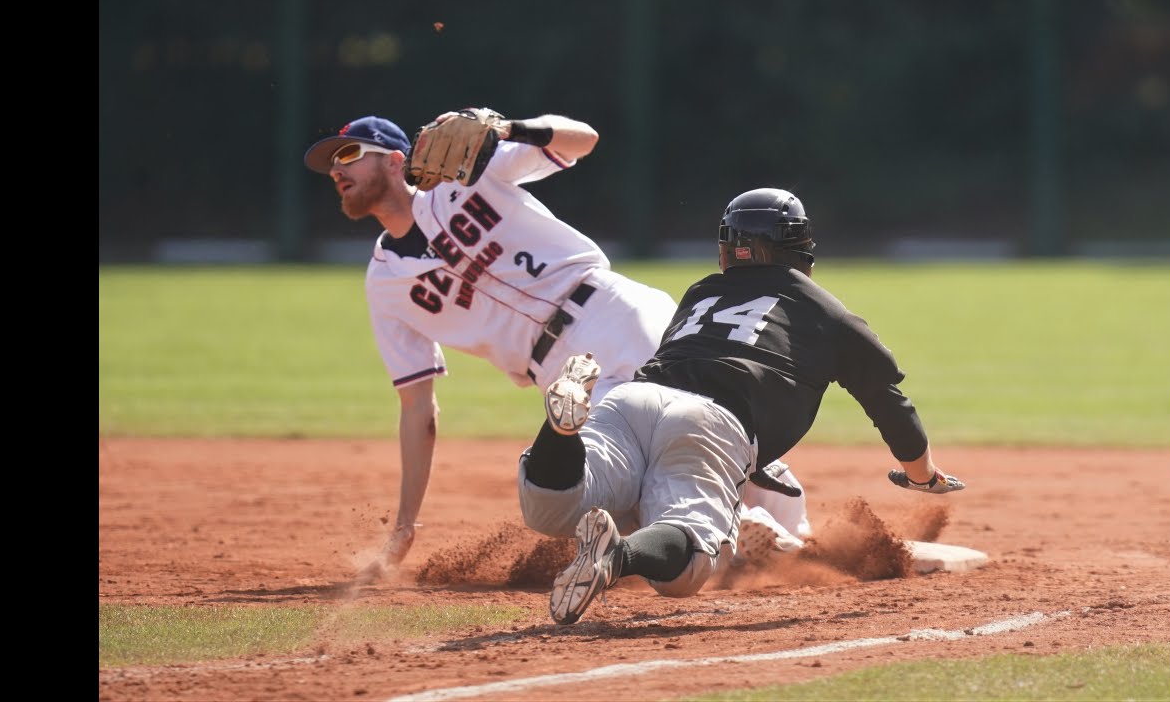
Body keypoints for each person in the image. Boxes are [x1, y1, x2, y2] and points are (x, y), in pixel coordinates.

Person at [301, 113, 811, 582]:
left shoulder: (469, 178)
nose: (335, 171)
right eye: (329, 164)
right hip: (562, 374)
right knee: (621, 486)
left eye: (349, 155)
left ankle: (771, 527)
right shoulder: (384, 284)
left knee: (689, 434)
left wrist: (509, 129)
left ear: (394, 159)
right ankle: (772, 536)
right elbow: (418, 406)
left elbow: (583, 139)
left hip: (611, 311)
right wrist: (403, 528)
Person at [516, 187, 967, 625]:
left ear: (728, 250)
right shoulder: (829, 315)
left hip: (629, 400)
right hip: (712, 424)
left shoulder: (702, 292)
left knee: (550, 509)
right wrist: (922, 476)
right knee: (690, 557)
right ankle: (617, 555)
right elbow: (889, 402)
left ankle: (560, 434)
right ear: (801, 250)